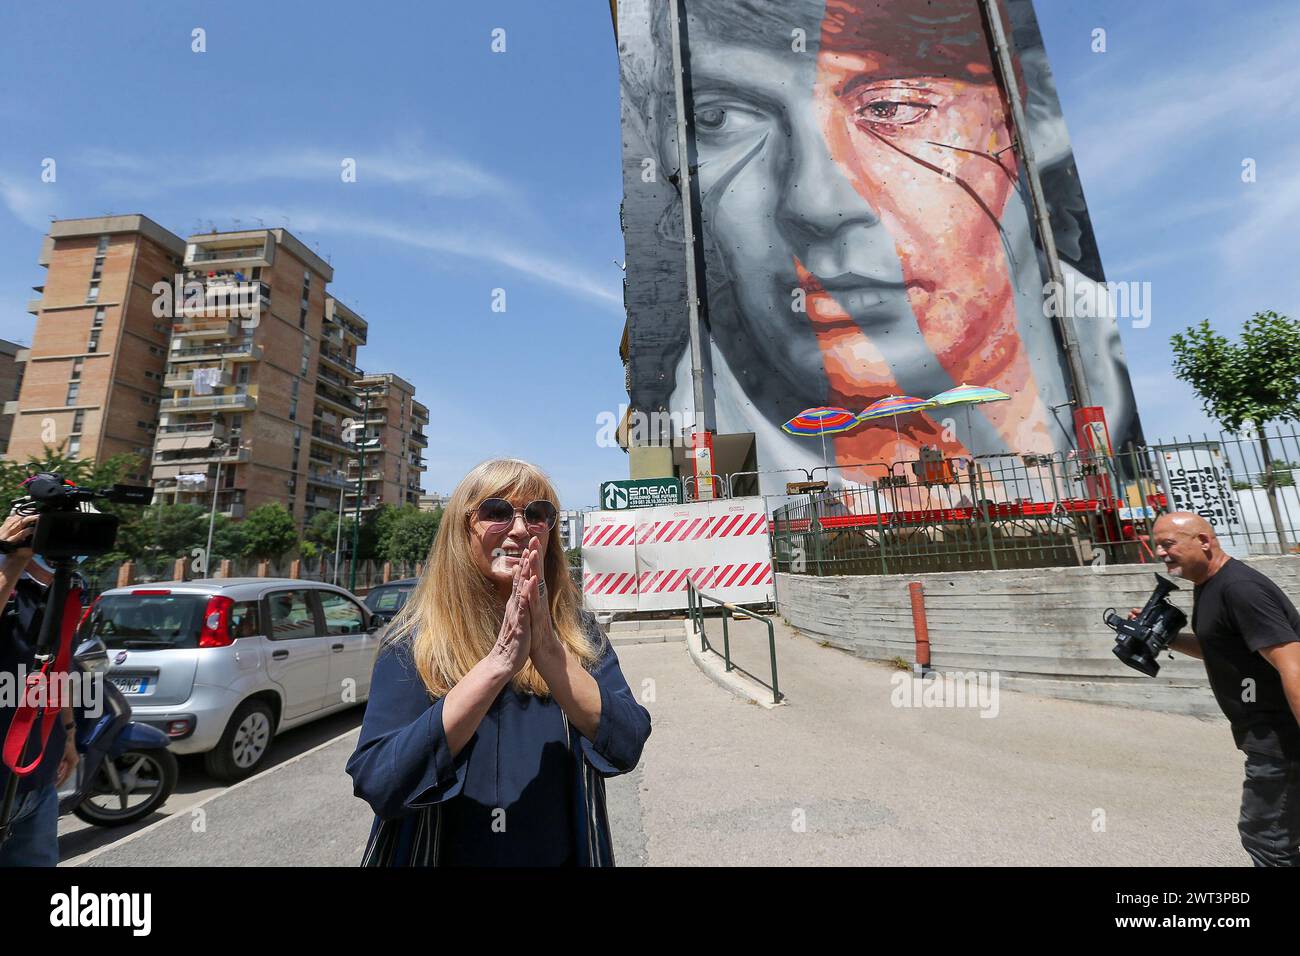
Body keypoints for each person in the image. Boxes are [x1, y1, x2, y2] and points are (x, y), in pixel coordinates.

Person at [620, 0, 1138, 493]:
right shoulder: (681, 437)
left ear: (1030, 109)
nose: (818, 205)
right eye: (721, 117)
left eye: (893, 106)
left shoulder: (1114, 386)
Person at [346, 458, 652, 866]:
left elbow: (628, 742)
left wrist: (547, 652)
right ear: (462, 529)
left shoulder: (578, 633)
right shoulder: (415, 642)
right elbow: (381, 782)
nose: (522, 528)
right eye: (497, 511)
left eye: (537, 514)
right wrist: (498, 663)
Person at [1142, 512, 1300, 866]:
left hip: (1281, 739)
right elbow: (1222, 647)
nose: (1161, 553)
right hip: (1269, 736)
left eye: (1168, 544)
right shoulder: (1210, 585)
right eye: (1157, 546)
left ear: (1204, 541)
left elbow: (1293, 663)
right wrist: (1162, 637)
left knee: (1266, 838)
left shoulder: (1239, 589)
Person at [0, 511, 79, 867]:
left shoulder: (62, 593)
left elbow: (56, 673)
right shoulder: (8, 580)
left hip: (38, 782)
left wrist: (68, 735)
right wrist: (11, 559)